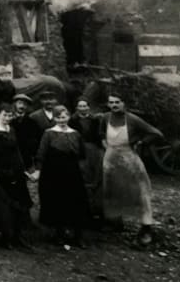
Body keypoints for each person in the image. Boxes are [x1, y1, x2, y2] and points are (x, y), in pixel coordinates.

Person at [100, 92, 163, 246]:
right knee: (113, 190)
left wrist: (140, 142)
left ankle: (146, 227)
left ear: (124, 103)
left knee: (140, 192)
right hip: (111, 159)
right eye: (111, 102)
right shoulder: (105, 118)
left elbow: (156, 134)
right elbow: (101, 134)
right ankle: (115, 222)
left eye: (117, 102)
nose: (114, 105)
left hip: (129, 159)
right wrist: (107, 148)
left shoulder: (133, 119)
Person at [36, 105, 89, 247]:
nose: (61, 120)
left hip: (72, 172)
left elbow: (82, 154)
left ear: (69, 117)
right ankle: (59, 234)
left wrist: (82, 171)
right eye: (58, 117)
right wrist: (39, 170)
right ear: (54, 118)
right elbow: (41, 153)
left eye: (64, 117)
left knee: (76, 201)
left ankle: (78, 236)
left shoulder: (75, 134)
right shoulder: (49, 133)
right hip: (54, 172)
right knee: (58, 201)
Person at [0, 103, 34, 250]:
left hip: (15, 173)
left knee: (19, 204)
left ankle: (17, 236)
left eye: (10, 115)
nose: (7, 118)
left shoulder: (11, 130)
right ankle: (6, 237)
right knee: (4, 207)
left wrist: (23, 170)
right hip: (2, 174)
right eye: (4, 115)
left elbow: (17, 152)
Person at [70, 97, 105, 227]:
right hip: (79, 151)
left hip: (94, 151)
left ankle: (96, 212)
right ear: (77, 108)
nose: (83, 108)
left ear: (88, 108)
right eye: (80, 106)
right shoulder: (72, 121)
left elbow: (100, 136)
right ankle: (83, 212)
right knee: (82, 178)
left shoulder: (95, 120)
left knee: (96, 178)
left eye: (85, 106)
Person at [9, 93, 40, 169]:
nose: (22, 106)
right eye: (19, 103)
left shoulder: (32, 122)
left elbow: (36, 140)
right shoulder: (8, 120)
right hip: (10, 156)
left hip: (26, 157)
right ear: (14, 104)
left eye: (25, 104)